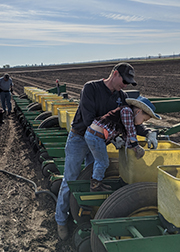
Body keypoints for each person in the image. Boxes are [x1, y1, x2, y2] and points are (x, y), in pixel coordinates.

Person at [55, 63, 158, 241]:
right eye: (124, 81)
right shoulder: (91, 88)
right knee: (70, 179)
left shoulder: (121, 96)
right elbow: (89, 119)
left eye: (128, 83)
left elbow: (131, 120)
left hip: (99, 142)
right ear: (115, 74)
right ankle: (61, 220)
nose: (125, 85)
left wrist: (148, 132)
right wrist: (113, 136)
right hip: (80, 138)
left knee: (92, 179)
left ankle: (85, 214)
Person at [85, 96, 161, 192]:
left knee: (101, 161)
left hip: (96, 135)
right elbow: (130, 130)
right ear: (138, 112)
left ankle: (97, 182)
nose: (142, 123)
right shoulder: (126, 111)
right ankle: (95, 186)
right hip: (96, 136)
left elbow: (126, 134)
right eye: (144, 120)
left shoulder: (127, 113)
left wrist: (130, 146)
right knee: (103, 162)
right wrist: (136, 146)